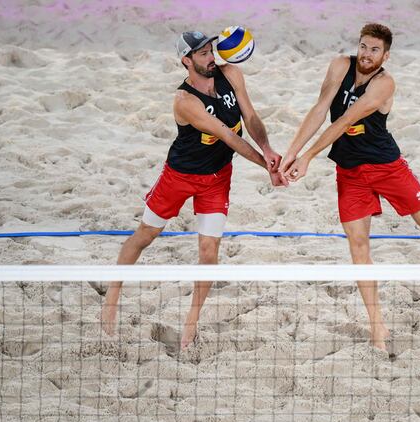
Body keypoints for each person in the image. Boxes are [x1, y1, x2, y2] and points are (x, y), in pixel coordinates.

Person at [282, 23, 420, 351]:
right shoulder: (340, 65)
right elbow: (320, 109)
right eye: (363, 46)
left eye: (374, 50)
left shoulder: (384, 84)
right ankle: (378, 329)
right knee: (358, 247)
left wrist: (309, 157)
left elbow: (343, 121)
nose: (366, 54)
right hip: (350, 173)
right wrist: (292, 153)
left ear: (385, 55)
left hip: (387, 168)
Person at [102, 30, 286, 348]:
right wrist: (268, 167)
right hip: (180, 177)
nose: (211, 57)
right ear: (186, 61)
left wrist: (268, 150)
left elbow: (251, 116)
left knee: (208, 253)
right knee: (145, 236)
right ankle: (112, 299)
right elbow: (229, 137)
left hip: (216, 180)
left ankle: (191, 323)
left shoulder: (232, 74)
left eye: (211, 50)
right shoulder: (184, 101)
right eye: (202, 54)